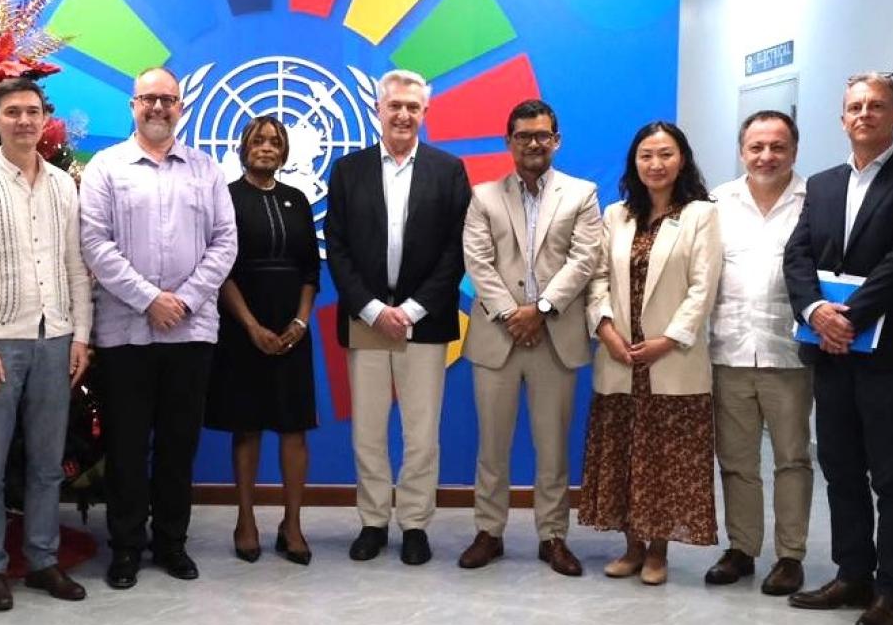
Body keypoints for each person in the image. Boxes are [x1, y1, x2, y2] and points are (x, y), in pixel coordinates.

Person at [783, 71, 893, 625]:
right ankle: (853, 574)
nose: (865, 114)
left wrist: (848, 317)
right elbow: (797, 254)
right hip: (831, 353)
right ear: (842, 117)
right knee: (842, 469)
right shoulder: (823, 184)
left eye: (877, 105)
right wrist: (815, 314)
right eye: (855, 106)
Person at [80, 66, 238, 589]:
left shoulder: (206, 170)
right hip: (125, 333)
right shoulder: (106, 168)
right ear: (132, 105)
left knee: (178, 445)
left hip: (190, 334)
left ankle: (171, 542)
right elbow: (95, 244)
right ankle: (125, 546)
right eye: (149, 98)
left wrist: (184, 301)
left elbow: (224, 244)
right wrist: (150, 300)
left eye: (168, 100)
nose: (158, 108)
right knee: (125, 446)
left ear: (181, 108)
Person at [0, 78, 92, 611]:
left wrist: (82, 335)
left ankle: (43, 559)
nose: (24, 121)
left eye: (33, 111)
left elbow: (77, 265)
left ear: (44, 117)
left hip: (55, 341)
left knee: (47, 462)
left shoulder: (62, 185)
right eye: (12, 112)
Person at [324, 69, 472, 566]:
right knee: (367, 428)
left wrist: (408, 310)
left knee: (421, 430)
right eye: (395, 107)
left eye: (413, 107)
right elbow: (337, 248)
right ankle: (372, 521)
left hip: (423, 321)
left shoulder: (449, 170)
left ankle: (413, 523)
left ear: (425, 113)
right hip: (365, 317)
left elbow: (456, 252)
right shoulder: (348, 170)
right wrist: (370, 308)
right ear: (378, 111)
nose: (404, 115)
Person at [458, 99, 602, 575]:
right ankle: (489, 531)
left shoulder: (582, 195)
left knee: (552, 445)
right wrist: (512, 315)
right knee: (492, 445)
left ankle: (553, 536)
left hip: (554, 337)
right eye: (524, 136)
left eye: (542, 135)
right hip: (498, 338)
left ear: (556, 140)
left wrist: (539, 311)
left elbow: (585, 260)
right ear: (509, 142)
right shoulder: (483, 197)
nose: (534, 144)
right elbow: (478, 262)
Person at [582, 120, 722, 586]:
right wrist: (605, 329)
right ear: (634, 162)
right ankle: (631, 546)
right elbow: (596, 278)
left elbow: (704, 289)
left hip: (671, 359)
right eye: (646, 155)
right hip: (620, 357)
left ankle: (658, 551)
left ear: (681, 159)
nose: (656, 164)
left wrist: (668, 340)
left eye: (665, 154)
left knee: (665, 457)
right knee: (624, 454)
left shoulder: (701, 214)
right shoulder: (616, 214)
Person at [703, 110, 813, 595]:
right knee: (736, 459)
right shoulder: (716, 203)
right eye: (756, 147)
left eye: (777, 147)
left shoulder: (816, 201)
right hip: (729, 350)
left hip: (788, 353)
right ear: (741, 150)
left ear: (793, 149)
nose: (766, 156)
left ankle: (790, 555)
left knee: (792, 458)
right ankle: (742, 548)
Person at [204, 116, 322, 565]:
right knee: (247, 427)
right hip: (241, 329)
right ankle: (246, 521)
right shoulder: (226, 198)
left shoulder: (298, 200)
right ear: (243, 148)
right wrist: (251, 326)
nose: (267, 148)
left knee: (294, 429)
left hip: (292, 331)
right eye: (259, 141)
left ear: (285, 151)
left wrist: (301, 322)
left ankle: (292, 525)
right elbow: (221, 270)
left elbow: (311, 271)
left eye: (275, 141)